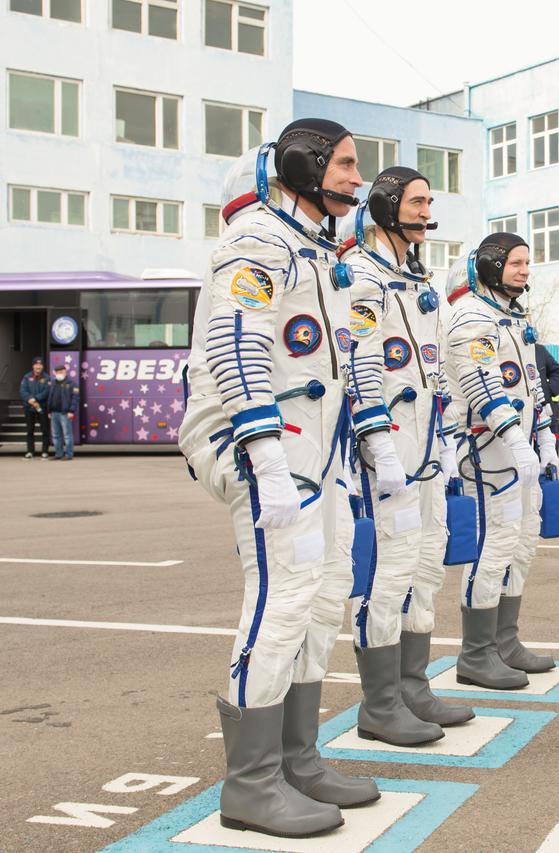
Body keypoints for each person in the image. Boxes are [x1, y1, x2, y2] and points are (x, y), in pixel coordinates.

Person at [179, 118, 380, 838]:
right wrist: (264, 463)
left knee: (324, 595)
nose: (359, 180)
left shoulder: (314, 251)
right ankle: (251, 781)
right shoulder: (259, 240)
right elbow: (237, 350)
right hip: (264, 445)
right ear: (303, 164)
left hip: (311, 450)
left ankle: (297, 756)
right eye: (348, 165)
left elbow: (330, 363)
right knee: (282, 593)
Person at [339, 166, 474, 748]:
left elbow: (436, 359)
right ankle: (380, 702)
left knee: (425, 566)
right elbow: (359, 362)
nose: (425, 211)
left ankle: (413, 685)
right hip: (386, 451)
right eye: (417, 202)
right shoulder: (362, 276)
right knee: (389, 573)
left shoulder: (417, 277)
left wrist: (445, 437)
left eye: (429, 202)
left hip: (426, 446)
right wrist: (377, 445)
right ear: (387, 207)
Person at [443, 233, 557, 690]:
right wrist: (512, 436)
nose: (525, 270)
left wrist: (545, 433)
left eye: (527, 262)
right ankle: (476, 654)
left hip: (521, 450)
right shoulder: (472, 315)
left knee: (522, 543)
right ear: (490, 264)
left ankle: (505, 642)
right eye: (515, 262)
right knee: (492, 546)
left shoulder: (513, 317)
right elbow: (480, 381)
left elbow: (531, 382)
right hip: (486, 449)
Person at [535, 342, 559, 449]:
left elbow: (558, 372)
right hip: (518, 414)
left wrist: (548, 390)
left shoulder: (539, 350)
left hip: (544, 411)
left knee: (548, 456)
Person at [46, 363, 79, 460]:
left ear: (65, 372)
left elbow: (75, 398)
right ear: (55, 373)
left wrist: (71, 411)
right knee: (56, 435)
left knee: (67, 435)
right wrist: (49, 411)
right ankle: (58, 454)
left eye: (62, 372)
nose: (60, 373)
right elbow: (50, 398)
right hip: (54, 413)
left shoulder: (72, 384)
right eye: (58, 372)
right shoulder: (53, 383)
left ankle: (69, 455)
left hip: (65, 413)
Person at [20, 357, 51, 459]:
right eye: (36, 364)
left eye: (40, 364)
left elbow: (47, 392)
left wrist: (35, 399)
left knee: (45, 430)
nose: (38, 366)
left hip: (42, 407)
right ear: (33, 366)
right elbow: (22, 391)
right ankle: (30, 451)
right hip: (29, 408)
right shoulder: (26, 377)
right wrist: (31, 400)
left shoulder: (47, 378)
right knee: (30, 430)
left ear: (42, 366)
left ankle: (45, 451)